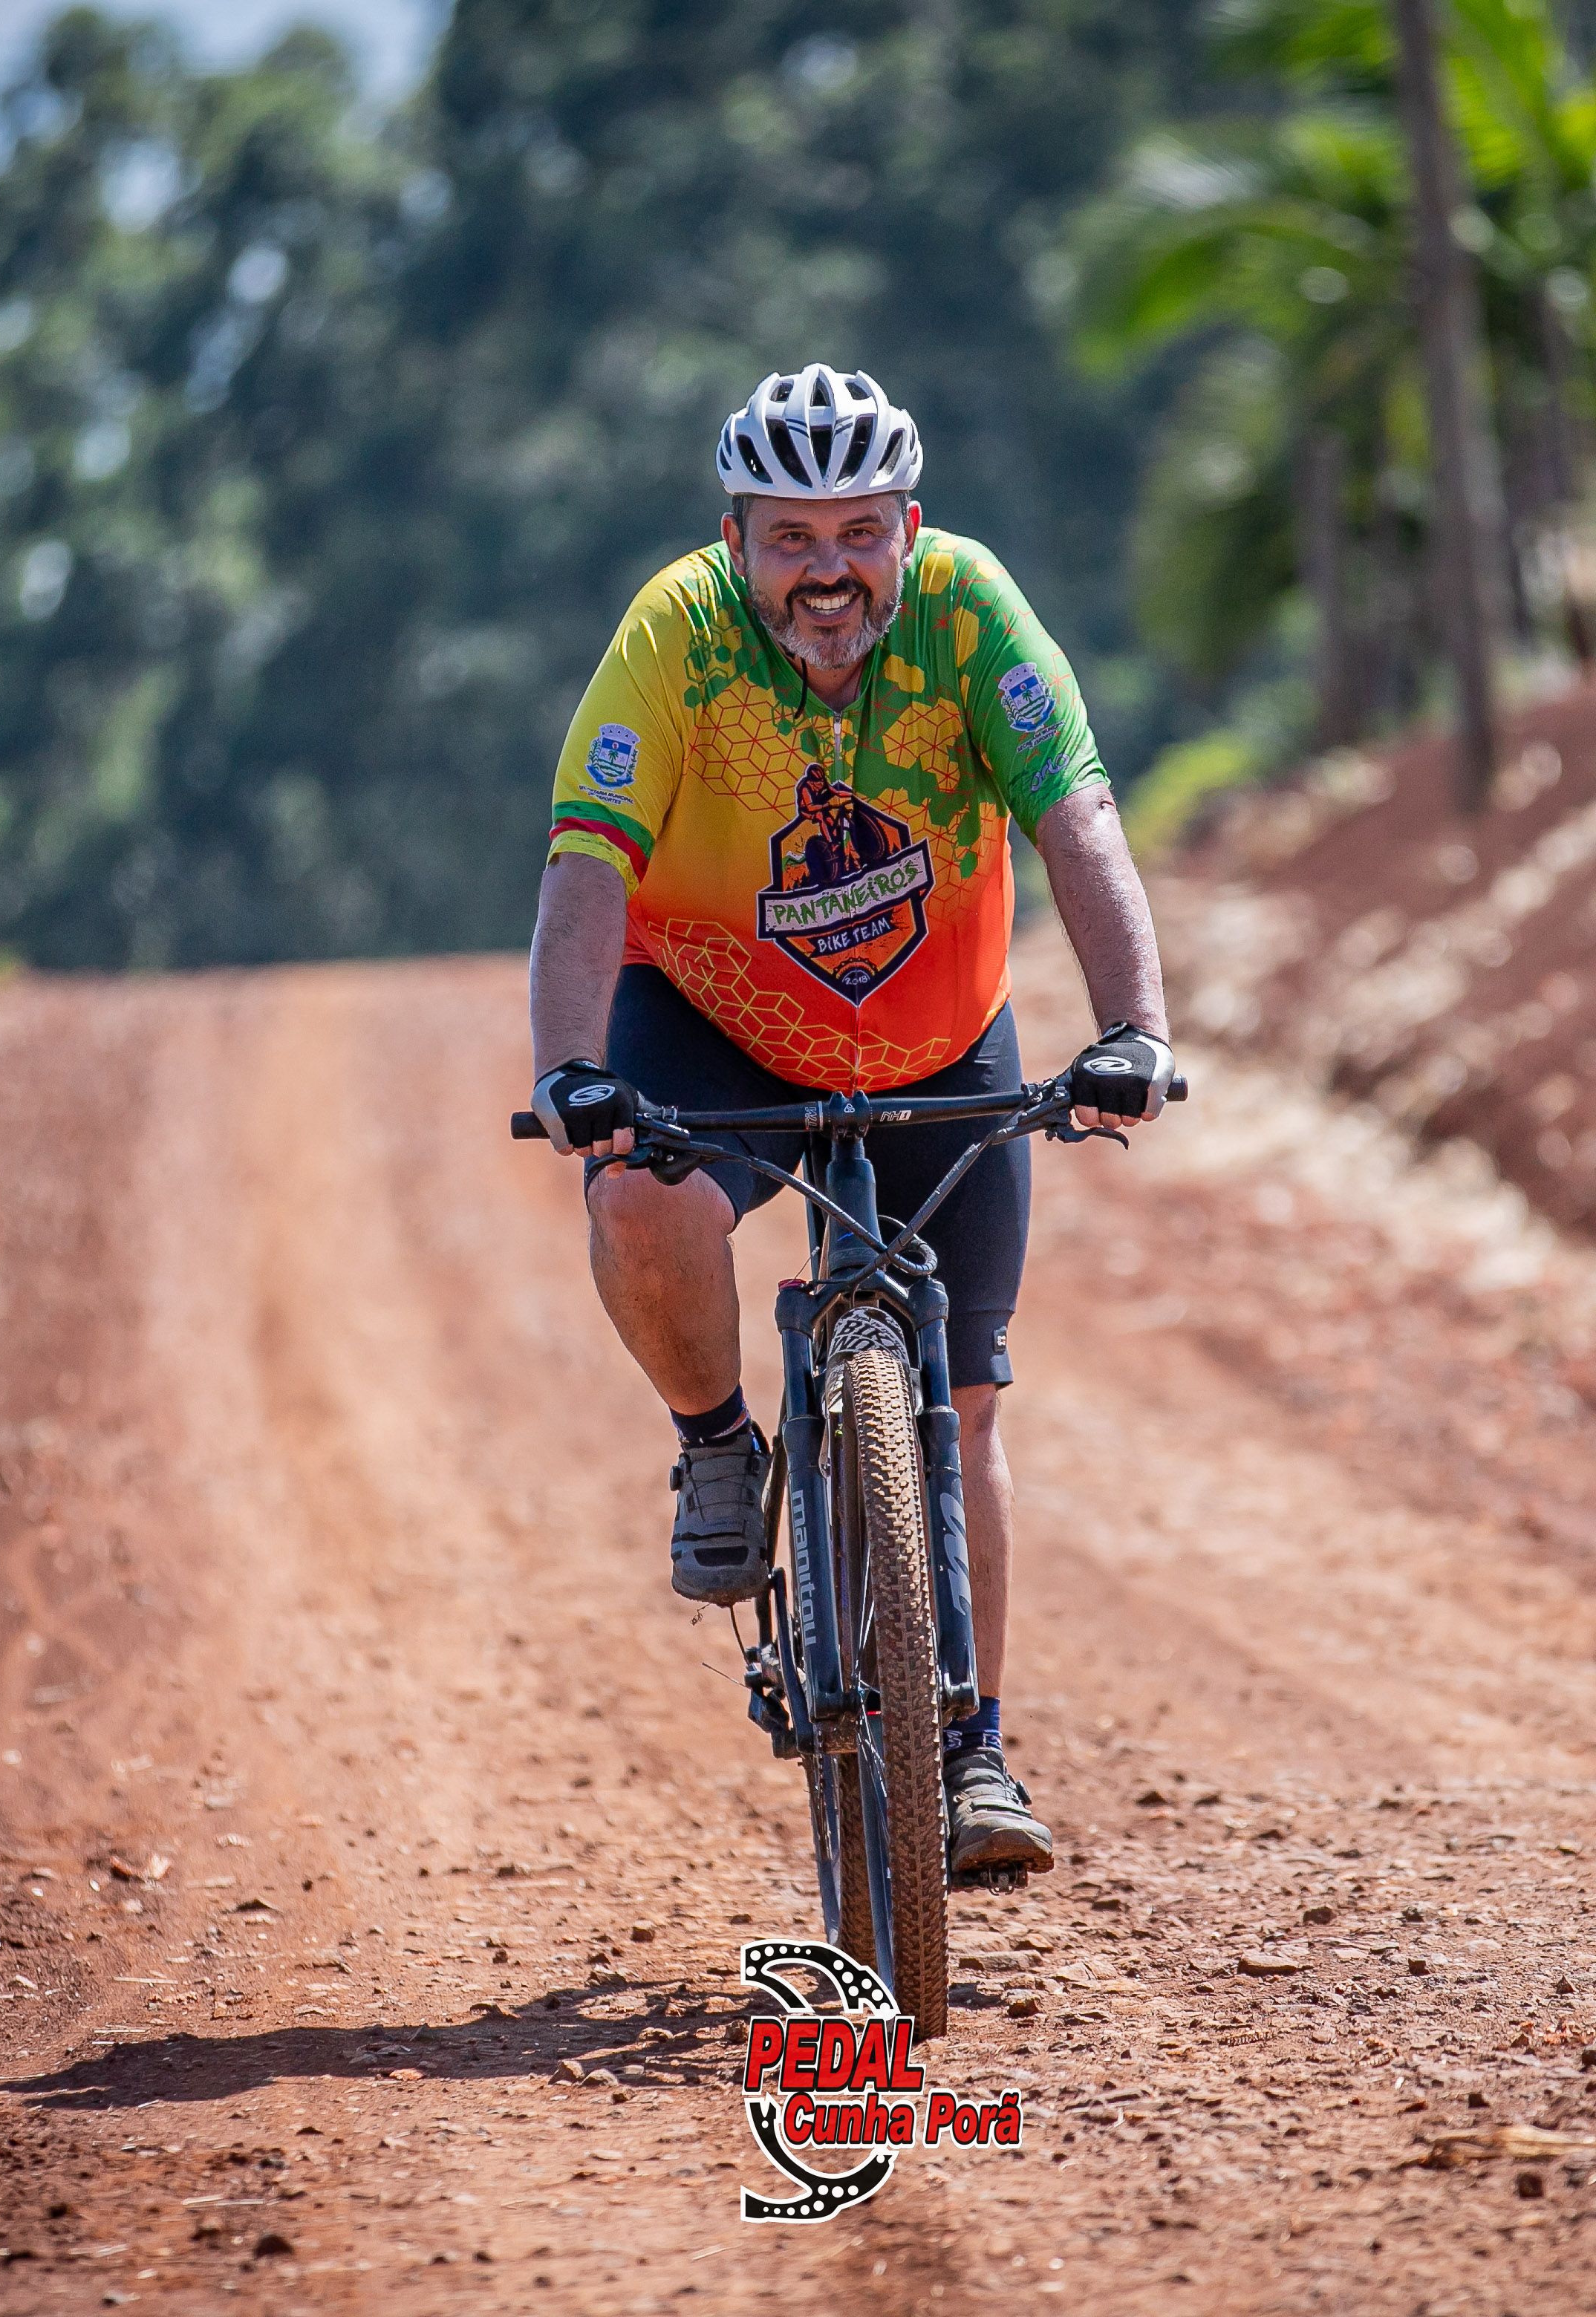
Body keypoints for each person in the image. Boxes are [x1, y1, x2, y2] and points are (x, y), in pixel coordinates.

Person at [522, 365, 1171, 1877]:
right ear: (736, 542)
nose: (830, 571)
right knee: (635, 1193)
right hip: (714, 1016)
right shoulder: (674, 635)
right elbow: (586, 861)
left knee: (969, 1402)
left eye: (860, 532)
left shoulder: (970, 613)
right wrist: (569, 1067)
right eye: (792, 537)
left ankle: (973, 1753)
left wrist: (1134, 1024)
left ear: (909, 531)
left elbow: (1076, 812)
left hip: (939, 1034)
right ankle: (716, 1446)